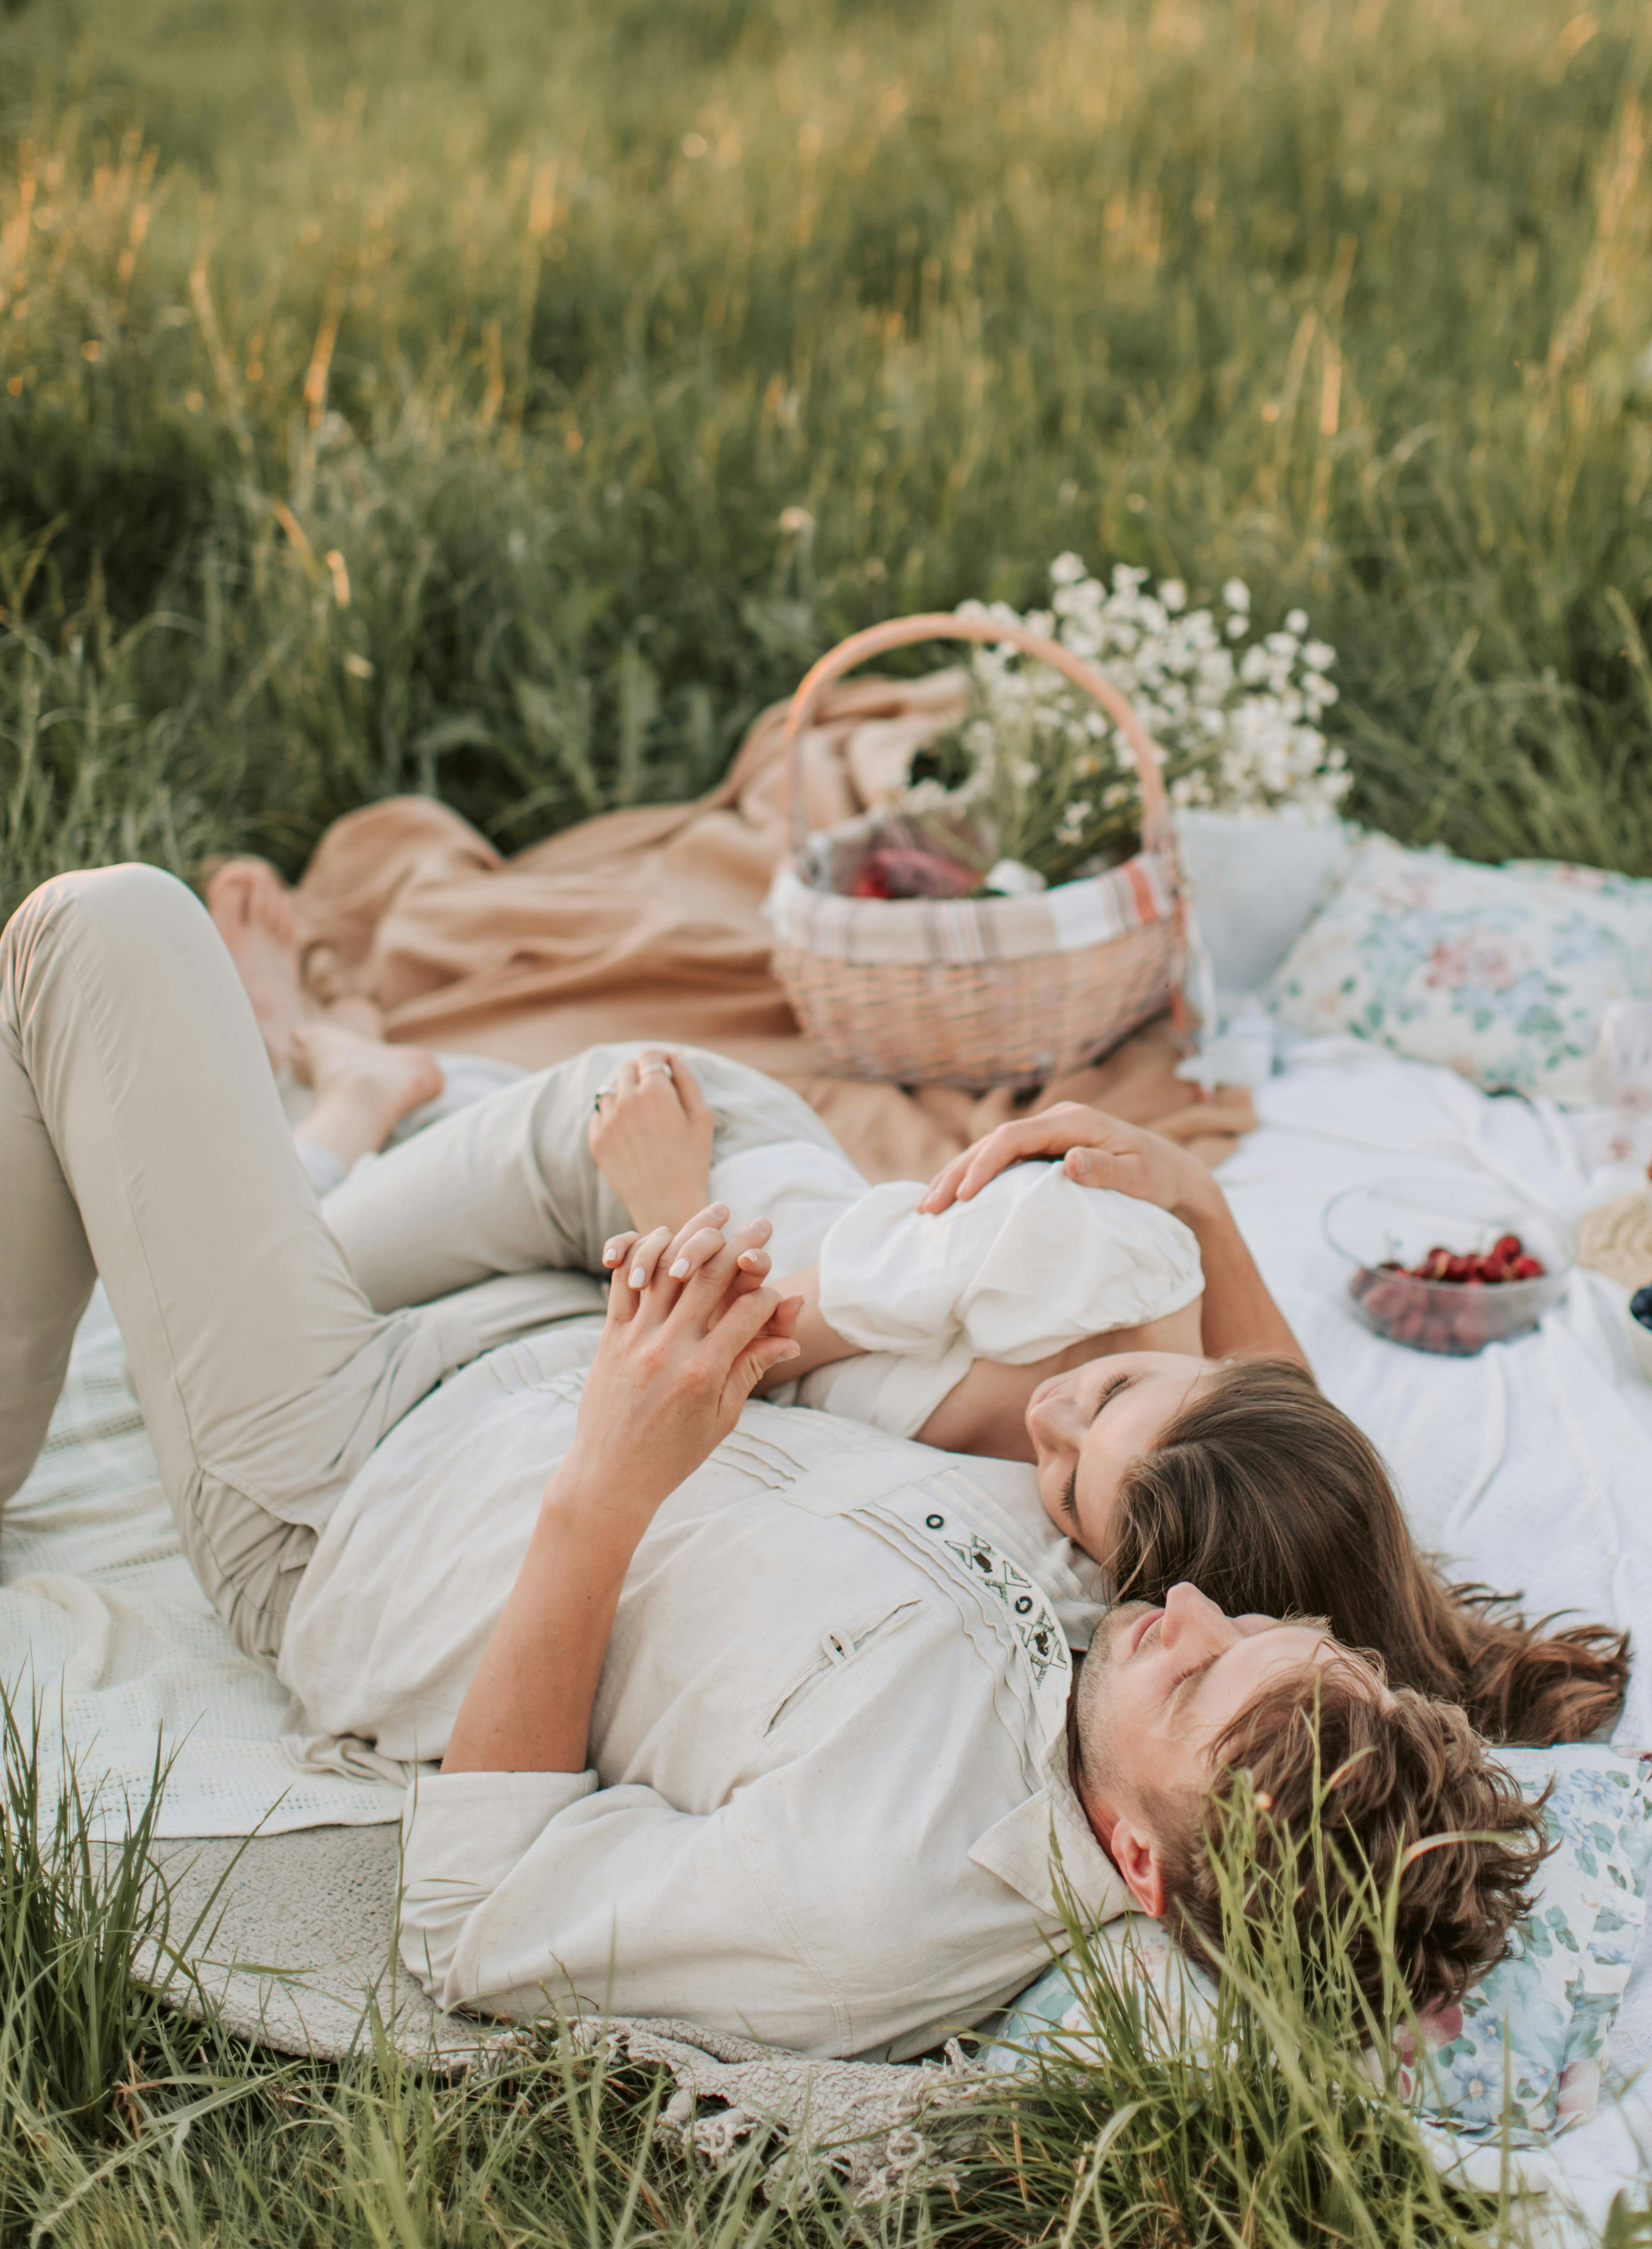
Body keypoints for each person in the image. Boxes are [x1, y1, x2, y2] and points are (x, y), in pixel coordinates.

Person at [3, 864, 1547, 2056]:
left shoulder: (868, 1901)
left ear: (1142, 1867)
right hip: (571, 1322)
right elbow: (1276, 1442)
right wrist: (1198, 1213)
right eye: (1268, 1634)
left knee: (104, 933)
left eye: (1199, 1682)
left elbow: (470, 1910)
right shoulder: (1144, 1660)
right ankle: (309, 1154)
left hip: (347, 1477)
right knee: (724, 1117)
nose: (1191, 1615)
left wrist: (606, 1485)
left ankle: (308, 1156)